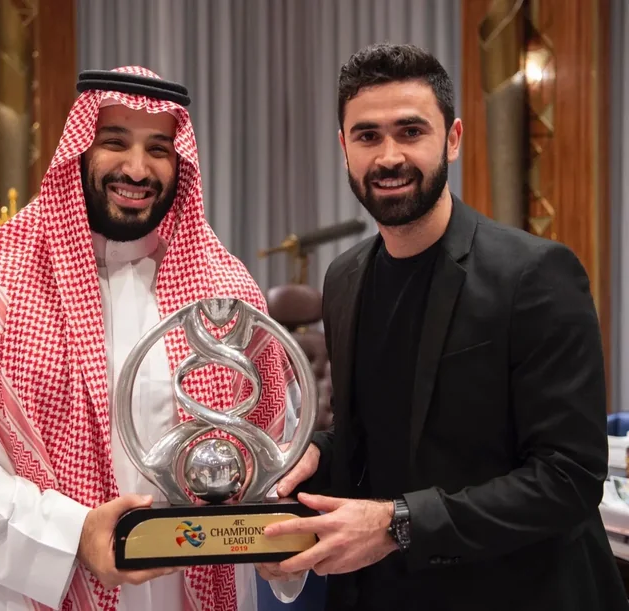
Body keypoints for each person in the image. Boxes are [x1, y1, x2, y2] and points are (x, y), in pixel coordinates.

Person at [0, 66, 303, 611]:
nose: (137, 169)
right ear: (79, 150)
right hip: (27, 587)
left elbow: (273, 444)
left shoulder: (226, 293)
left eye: (158, 149)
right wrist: (70, 535)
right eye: (115, 142)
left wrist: (276, 534)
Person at [258, 43, 629, 611]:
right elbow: (376, 436)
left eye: (411, 131)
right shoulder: (345, 277)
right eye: (367, 136)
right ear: (344, 148)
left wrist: (395, 524)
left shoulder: (535, 275)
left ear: (452, 139)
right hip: (379, 591)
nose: (389, 157)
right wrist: (316, 453)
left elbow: (568, 478)